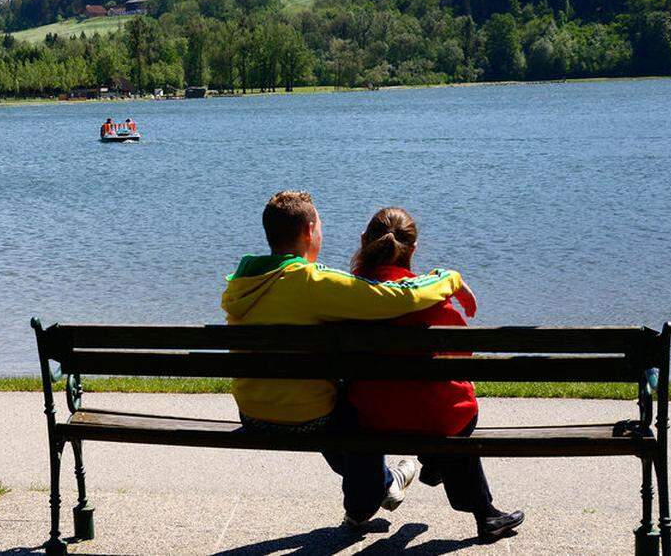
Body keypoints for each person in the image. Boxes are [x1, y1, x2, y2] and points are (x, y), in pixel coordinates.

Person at [221, 190, 477, 527]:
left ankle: (384, 484)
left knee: (336, 396)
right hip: (309, 418)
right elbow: (399, 296)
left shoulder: (241, 283)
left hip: (253, 413)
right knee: (355, 411)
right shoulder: (314, 282)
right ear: (310, 230)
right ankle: (381, 487)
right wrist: (450, 278)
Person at [346, 207, 525, 542]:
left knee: (361, 404)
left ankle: (359, 508)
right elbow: (462, 358)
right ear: (412, 250)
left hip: (371, 419)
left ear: (364, 242)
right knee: (454, 408)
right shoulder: (436, 304)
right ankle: (481, 510)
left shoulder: (347, 298)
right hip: (440, 422)